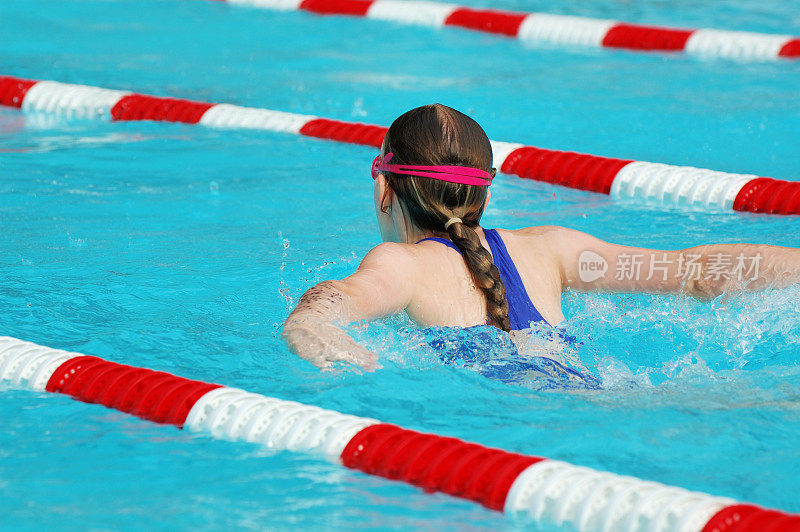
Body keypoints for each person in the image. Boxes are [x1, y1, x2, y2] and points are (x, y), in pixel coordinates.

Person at [282, 104, 800, 373]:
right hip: (598, 387)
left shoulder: (402, 265)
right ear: (486, 191)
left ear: (383, 189)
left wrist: (308, 324)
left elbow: (336, 300)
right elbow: (699, 274)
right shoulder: (553, 250)